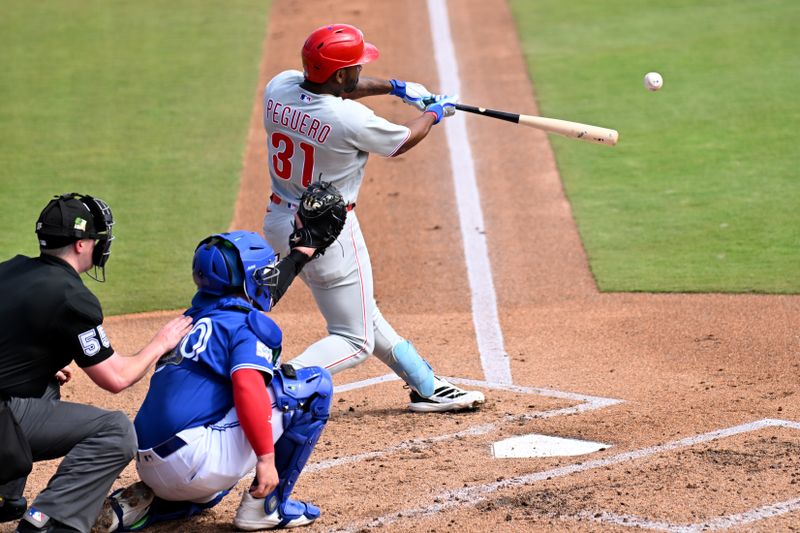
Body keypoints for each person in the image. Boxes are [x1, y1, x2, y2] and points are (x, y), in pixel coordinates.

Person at [262, 23, 485, 412]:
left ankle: (427, 385)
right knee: (354, 339)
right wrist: (433, 114)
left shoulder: (278, 87)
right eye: (356, 67)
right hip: (328, 235)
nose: (360, 71)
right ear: (342, 75)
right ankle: (272, 385)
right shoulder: (348, 119)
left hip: (281, 221)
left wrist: (397, 87)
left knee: (361, 314)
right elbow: (401, 139)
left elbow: (337, 84)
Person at [93, 230, 334, 532]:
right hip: (193, 461)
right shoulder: (246, 324)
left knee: (214, 487)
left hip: (150, 461)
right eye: (263, 272)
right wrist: (265, 459)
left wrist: (301, 254)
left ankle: (146, 508)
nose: (268, 278)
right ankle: (269, 506)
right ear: (249, 278)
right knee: (312, 387)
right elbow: (247, 386)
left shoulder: (192, 320)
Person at [0, 193, 193, 533]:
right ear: (81, 244)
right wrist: (159, 343)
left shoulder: (11, 269)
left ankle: (3, 497)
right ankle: (48, 523)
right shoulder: (72, 296)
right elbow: (116, 378)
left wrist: (34, 364)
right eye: (97, 239)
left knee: (45, 385)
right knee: (116, 431)